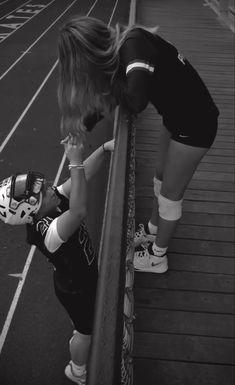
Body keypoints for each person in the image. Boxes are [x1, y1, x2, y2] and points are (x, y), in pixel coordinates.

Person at [56, 16, 219, 274]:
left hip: (195, 125)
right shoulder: (127, 45)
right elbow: (120, 95)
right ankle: (153, 232)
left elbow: (136, 100)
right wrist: (83, 128)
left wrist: (108, 81)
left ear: (91, 52)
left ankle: (157, 257)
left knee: (169, 197)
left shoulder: (134, 45)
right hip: (176, 117)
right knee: (159, 181)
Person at [0, 135, 114, 384]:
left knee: (86, 324)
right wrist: (74, 161)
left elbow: (80, 179)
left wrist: (104, 149)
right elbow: (79, 210)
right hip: (76, 289)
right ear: (30, 211)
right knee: (86, 332)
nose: (50, 186)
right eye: (44, 191)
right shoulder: (46, 231)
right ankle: (77, 369)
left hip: (83, 275)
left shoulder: (50, 202)